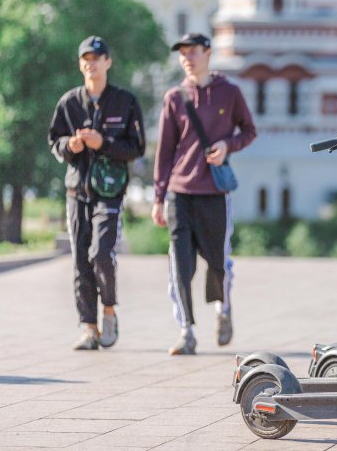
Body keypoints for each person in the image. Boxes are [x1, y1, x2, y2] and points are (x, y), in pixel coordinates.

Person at [152, 33, 256, 355]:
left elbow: (249, 131)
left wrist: (228, 145)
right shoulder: (175, 97)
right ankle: (186, 331)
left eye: (193, 52)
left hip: (215, 193)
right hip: (180, 195)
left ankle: (223, 310)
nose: (187, 58)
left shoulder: (230, 93)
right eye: (182, 53)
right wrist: (158, 196)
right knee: (179, 267)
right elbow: (165, 151)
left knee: (218, 264)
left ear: (207, 53)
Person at [48, 36, 145, 350]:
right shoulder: (69, 103)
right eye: (85, 58)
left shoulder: (125, 102)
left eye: (96, 57)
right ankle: (89, 327)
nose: (90, 63)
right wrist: (71, 145)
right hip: (77, 191)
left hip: (110, 191)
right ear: (80, 64)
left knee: (101, 254)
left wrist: (102, 143)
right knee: (80, 260)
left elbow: (136, 148)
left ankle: (109, 310)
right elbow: (55, 142)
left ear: (108, 62)